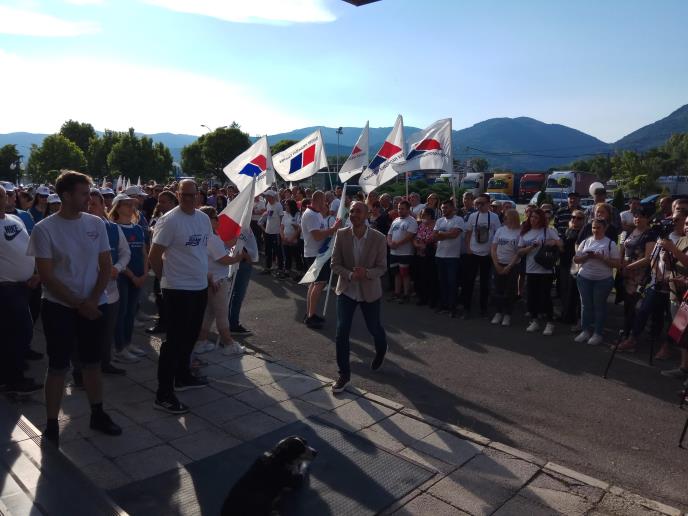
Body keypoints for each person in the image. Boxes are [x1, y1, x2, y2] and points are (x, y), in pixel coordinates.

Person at [27, 171, 122, 446]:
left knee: (92, 363)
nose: (89, 199)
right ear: (66, 196)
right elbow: (47, 276)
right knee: (58, 366)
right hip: (59, 308)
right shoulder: (44, 229)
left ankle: (98, 413)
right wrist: (80, 304)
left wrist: (92, 300)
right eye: (84, 193)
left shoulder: (96, 223)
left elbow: (105, 265)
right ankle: (51, 424)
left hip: (93, 304)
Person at [148, 179, 212, 414]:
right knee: (174, 341)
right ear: (177, 194)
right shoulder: (169, 220)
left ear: (199, 195)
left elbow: (201, 251)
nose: (189, 199)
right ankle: (163, 394)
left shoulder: (203, 219)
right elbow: (154, 256)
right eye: (185, 195)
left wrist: (206, 276)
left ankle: (183, 376)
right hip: (177, 289)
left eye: (193, 195)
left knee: (191, 335)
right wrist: (166, 280)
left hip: (199, 286)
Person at [330, 202, 388, 393]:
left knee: (374, 328)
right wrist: (349, 274)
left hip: (369, 291)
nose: (354, 214)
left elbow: (382, 267)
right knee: (342, 331)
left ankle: (381, 349)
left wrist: (367, 273)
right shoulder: (341, 234)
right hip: (347, 290)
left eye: (358, 211)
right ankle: (344, 375)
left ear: (367, 215)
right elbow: (334, 264)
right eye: (352, 211)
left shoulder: (379, 238)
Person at [618, 209, 688, 352]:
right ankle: (633, 339)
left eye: (677, 220)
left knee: (675, 319)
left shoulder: (682, 239)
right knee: (643, 311)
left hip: (678, 285)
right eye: (672, 219)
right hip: (658, 282)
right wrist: (659, 274)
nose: (673, 222)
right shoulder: (664, 237)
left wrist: (672, 251)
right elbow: (653, 258)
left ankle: (667, 347)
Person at [0, 185, 42, 394]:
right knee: (16, 333)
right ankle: (12, 380)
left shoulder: (16, 219)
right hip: (6, 288)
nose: (4, 198)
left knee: (22, 332)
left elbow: (29, 247)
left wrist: (35, 271)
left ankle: (12, 372)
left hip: (27, 284)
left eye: (5, 195)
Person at [85, 188, 130, 375]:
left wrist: (117, 268)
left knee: (107, 330)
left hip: (111, 292)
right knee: (86, 333)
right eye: (87, 204)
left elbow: (125, 253)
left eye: (94, 204)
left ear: (103, 206)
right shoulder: (77, 228)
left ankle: (105, 363)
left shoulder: (113, 228)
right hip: (87, 292)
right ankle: (82, 371)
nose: (90, 208)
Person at [195, 206, 246, 355]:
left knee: (209, 312)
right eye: (215, 217)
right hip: (217, 280)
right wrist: (237, 258)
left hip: (211, 279)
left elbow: (224, 246)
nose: (218, 220)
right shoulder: (211, 238)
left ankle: (201, 341)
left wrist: (238, 238)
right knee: (221, 313)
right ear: (207, 220)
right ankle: (228, 343)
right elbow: (223, 259)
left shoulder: (205, 236)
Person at [109, 193, 148, 362]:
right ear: (117, 207)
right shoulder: (113, 228)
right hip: (123, 277)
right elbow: (117, 257)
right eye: (127, 204)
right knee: (122, 312)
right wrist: (132, 276)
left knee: (131, 312)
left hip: (138, 276)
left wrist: (144, 273)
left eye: (133, 204)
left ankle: (128, 342)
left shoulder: (137, 228)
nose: (132, 207)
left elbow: (144, 253)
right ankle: (119, 348)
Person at [573, 218, 621, 345]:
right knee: (585, 305)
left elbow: (617, 264)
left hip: (603, 280)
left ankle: (598, 333)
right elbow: (576, 259)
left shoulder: (610, 243)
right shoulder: (585, 241)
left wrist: (602, 258)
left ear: (605, 228)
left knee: (599, 306)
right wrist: (587, 256)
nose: (595, 230)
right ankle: (585, 331)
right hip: (584, 278)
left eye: (598, 228)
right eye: (593, 228)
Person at [518, 208, 563, 335]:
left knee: (545, 297)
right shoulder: (525, 232)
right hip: (531, 269)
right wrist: (531, 247)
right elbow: (519, 252)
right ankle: (534, 321)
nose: (533, 219)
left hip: (545, 270)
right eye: (532, 217)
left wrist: (553, 242)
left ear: (541, 219)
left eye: (536, 217)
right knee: (532, 296)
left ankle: (550, 323)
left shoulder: (548, 231)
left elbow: (561, 245)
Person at [301, 190, 341, 328]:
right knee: (319, 283)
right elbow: (317, 236)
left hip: (317, 253)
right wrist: (333, 229)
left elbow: (321, 232)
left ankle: (310, 313)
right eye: (324, 200)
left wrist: (331, 229)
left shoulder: (316, 214)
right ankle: (310, 316)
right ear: (318, 200)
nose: (326, 203)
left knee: (315, 283)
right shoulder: (311, 214)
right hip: (315, 254)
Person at [462, 193, 501, 317]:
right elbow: (468, 233)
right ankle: (466, 308)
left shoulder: (494, 217)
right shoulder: (473, 216)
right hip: (473, 253)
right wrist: (468, 249)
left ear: (488, 204)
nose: (479, 206)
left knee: (485, 283)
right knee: (469, 281)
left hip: (487, 255)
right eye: (477, 203)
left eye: (482, 203)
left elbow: (498, 234)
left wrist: (492, 251)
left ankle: (483, 308)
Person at [146, 190, 178, 335]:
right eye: (159, 201)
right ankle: (163, 322)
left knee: (165, 296)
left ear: (173, 203)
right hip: (159, 262)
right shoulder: (159, 217)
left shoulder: (174, 219)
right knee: (159, 296)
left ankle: (167, 324)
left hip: (169, 264)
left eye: (163, 201)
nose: (159, 204)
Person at [620, 208, 655, 338]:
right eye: (635, 216)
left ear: (647, 219)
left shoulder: (650, 234)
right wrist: (622, 264)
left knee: (634, 305)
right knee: (627, 304)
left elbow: (648, 258)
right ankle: (626, 329)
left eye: (641, 216)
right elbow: (624, 248)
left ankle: (631, 335)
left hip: (639, 275)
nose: (637, 219)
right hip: (627, 273)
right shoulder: (632, 231)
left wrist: (629, 267)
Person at [490, 209, 522, 326]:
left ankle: (508, 314)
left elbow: (518, 252)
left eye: (506, 217)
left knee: (510, 290)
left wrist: (509, 266)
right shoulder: (500, 230)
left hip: (513, 265)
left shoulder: (519, 232)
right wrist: (496, 264)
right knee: (498, 289)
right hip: (499, 263)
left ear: (513, 218)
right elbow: (493, 248)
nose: (504, 219)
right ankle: (498, 312)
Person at [433, 200, 464, 316]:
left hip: (452, 257)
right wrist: (446, 234)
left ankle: (452, 306)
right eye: (442, 208)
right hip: (439, 255)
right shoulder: (439, 220)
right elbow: (434, 236)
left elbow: (454, 234)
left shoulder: (458, 220)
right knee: (442, 282)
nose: (443, 210)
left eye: (446, 208)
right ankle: (444, 304)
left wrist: (441, 234)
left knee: (452, 282)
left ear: (452, 208)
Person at [228, 225, 260, 336]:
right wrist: (246, 256)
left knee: (235, 294)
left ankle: (230, 323)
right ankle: (232, 324)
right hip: (242, 263)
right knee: (237, 294)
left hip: (243, 262)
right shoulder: (241, 221)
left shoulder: (245, 222)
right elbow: (236, 241)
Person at [558, 209, 586, 328]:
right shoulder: (568, 231)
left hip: (577, 266)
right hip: (564, 264)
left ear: (584, 220)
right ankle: (566, 314)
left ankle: (575, 317)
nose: (575, 220)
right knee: (564, 290)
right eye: (573, 217)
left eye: (579, 218)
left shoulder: (584, 233)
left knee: (574, 292)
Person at [387, 200, 418, 304]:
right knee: (396, 274)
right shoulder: (395, 220)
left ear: (408, 209)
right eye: (399, 208)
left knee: (405, 274)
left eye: (402, 209)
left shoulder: (412, 221)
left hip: (405, 253)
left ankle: (406, 295)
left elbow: (410, 236)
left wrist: (398, 244)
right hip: (394, 252)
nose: (400, 210)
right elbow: (389, 234)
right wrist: (390, 243)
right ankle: (397, 293)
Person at [413, 207, 438, 308]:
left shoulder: (436, 225)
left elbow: (435, 238)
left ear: (430, 215)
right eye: (422, 215)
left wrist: (425, 245)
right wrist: (417, 245)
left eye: (425, 215)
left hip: (431, 254)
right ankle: (423, 297)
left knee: (431, 277)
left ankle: (433, 299)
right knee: (421, 277)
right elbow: (415, 238)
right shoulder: (421, 225)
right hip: (420, 253)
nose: (423, 217)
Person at [260, 190, 284, 276]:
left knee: (278, 251)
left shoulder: (278, 206)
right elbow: (268, 216)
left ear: (271, 197)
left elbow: (282, 219)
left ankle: (280, 269)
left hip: (276, 232)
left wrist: (281, 231)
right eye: (266, 196)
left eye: (267, 196)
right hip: (268, 232)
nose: (266, 197)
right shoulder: (268, 204)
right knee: (268, 251)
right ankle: (268, 267)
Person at [281, 199, 301, 278]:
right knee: (287, 256)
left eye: (287, 205)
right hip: (285, 239)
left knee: (296, 257)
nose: (285, 206)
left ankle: (299, 272)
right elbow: (281, 227)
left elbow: (299, 229)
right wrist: (283, 237)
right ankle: (287, 271)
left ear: (291, 206)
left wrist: (292, 238)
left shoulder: (298, 214)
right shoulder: (285, 214)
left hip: (294, 240)